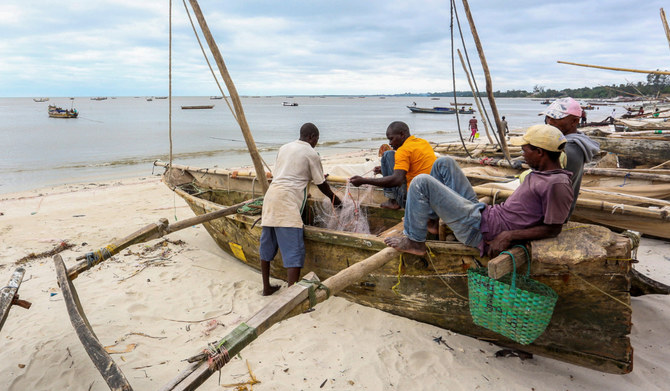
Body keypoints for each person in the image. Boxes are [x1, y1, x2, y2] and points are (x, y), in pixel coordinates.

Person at [384, 124, 573, 258]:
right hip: (483, 215)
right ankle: (432, 220)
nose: (522, 154)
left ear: (540, 152)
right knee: (444, 162)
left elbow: (554, 228)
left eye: (525, 151)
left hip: (479, 228)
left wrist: (508, 235)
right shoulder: (541, 174)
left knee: (420, 182)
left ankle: (415, 242)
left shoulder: (556, 184)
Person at [260, 123, 342, 296]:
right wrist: (335, 200)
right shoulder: (311, 152)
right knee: (294, 251)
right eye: (316, 140)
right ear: (311, 137)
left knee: (267, 247)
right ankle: (291, 296)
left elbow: (289, 172)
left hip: (270, 197)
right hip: (287, 202)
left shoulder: (285, 147)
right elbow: (321, 184)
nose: (316, 143)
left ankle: (266, 288)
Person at [350, 121, 436, 209]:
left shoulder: (403, 151)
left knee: (388, 154)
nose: (390, 143)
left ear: (402, 134)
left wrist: (364, 181)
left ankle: (393, 200)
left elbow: (397, 180)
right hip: (430, 195)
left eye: (391, 139)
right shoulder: (422, 142)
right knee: (390, 154)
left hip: (413, 200)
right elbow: (413, 168)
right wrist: (383, 170)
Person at [542, 97, 600, 216]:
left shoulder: (568, 149)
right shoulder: (575, 141)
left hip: (549, 214)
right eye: (548, 117)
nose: (550, 122)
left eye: (556, 118)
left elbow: (542, 183)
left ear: (574, 121)